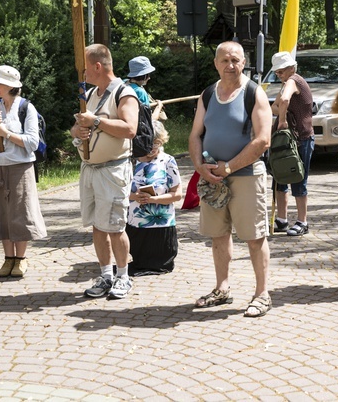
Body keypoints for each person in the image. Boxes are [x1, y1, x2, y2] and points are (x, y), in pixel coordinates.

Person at [189, 41, 273, 317]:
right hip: (213, 178)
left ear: (244, 62)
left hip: (246, 176)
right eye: (224, 60)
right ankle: (221, 288)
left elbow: (263, 140)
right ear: (215, 63)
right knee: (218, 235)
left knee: (254, 236)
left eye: (235, 60)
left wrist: (228, 168)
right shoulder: (208, 94)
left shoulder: (253, 93)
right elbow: (195, 135)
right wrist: (201, 167)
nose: (230, 65)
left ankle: (262, 294)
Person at [72, 44, 139, 300]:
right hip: (90, 169)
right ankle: (106, 274)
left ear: (97, 66)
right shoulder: (90, 95)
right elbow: (76, 127)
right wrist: (77, 131)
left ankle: (123, 276)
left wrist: (96, 121)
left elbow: (129, 128)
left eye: (85, 69)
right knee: (98, 226)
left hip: (113, 171)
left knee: (114, 227)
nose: (82, 74)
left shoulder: (124, 93)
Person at [0, 65, 48, 278]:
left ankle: (21, 259)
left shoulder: (27, 108)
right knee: (0, 213)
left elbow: (33, 142)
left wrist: (6, 133)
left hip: (19, 167)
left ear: (11, 86)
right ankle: (8, 258)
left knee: (20, 212)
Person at [126, 120, 182, 275]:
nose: (151, 148)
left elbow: (177, 194)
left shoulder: (168, 161)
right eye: (148, 143)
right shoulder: (131, 161)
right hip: (136, 222)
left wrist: (153, 199)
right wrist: (135, 196)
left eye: (156, 143)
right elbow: (119, 192)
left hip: (161, 223)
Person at [269, 51, 314, 236]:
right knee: (280, 177)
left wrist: (281, 121)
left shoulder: (293, 81)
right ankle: (282, 219)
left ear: (290, 68)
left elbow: (284, 100)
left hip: (300, 138)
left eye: (280, 72)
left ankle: (302, 221)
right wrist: (280, 109)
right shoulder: (286, 83)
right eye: (277, 73)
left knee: (298, 179)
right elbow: (275, 105)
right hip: (289, 140)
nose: (278, 75)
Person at [126, 56, 165, 121]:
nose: (149, 78)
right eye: (148, 75)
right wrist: (159, 106)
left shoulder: (124, 83)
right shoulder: (140, 92)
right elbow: (150, 120)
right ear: (144, 75)